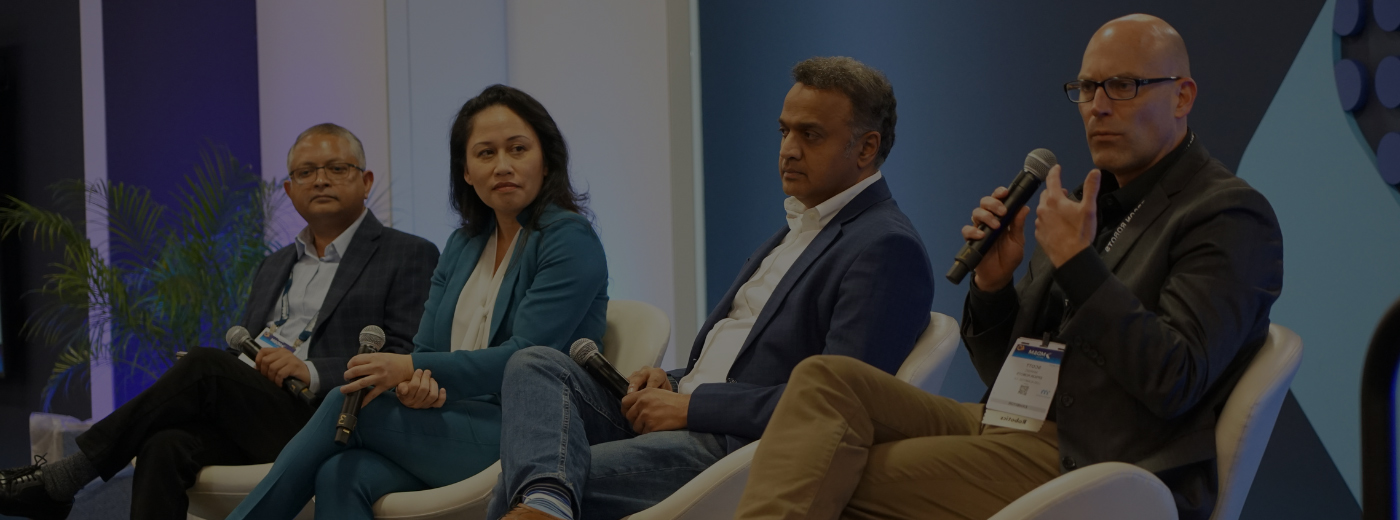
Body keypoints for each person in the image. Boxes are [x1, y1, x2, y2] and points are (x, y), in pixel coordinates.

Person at [731, 14, 1284, 520]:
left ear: (1183, 96)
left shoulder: (1227, 214)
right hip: (1008, 424)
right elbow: (1009, 372)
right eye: (1087, 88)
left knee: (835, 469)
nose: (1099, 106)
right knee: (827, 380)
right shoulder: (1075, 203)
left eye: (1125, 86)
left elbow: (1175, 380)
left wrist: (1078, 264)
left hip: (1100, 461)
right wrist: (994, 287)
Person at [491, 56, 936, 520]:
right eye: (784, 131)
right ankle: (547, 498)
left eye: (811, 134)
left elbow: (838, 408)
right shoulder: (799, 227)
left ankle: (544, 499)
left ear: (866, 148)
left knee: (524, 486)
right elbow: (737, 359)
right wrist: (674, 382)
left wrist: (692, 407)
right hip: (686, 419)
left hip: (733, 451)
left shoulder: (885, 247)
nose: (788, 149)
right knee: (535, 365)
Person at [0, 123, 439, 520]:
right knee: (164, 444)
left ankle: (63, 480)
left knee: (205, 367)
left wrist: (310, 369)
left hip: (331, 416)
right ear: (288, 190)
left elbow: (406, 352)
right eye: (305, 173)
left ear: (365, 181)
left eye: (336, 167)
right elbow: (243, 350)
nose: (320, 179)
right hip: (261, 412)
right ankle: (63, 485)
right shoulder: (274, 265)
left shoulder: (408, 253)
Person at [227, 84, 610, 520]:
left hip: (529, 434)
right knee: (340, 471)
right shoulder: (464, 244)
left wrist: (407, 369)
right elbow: (426, 351)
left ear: (546, 160)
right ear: (466, 171)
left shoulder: (568, 238)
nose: (503, 165)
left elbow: (524, 359)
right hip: (449, 424)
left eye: (518, 149)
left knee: (347, 403)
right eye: (485, 153)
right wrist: (416, 384)